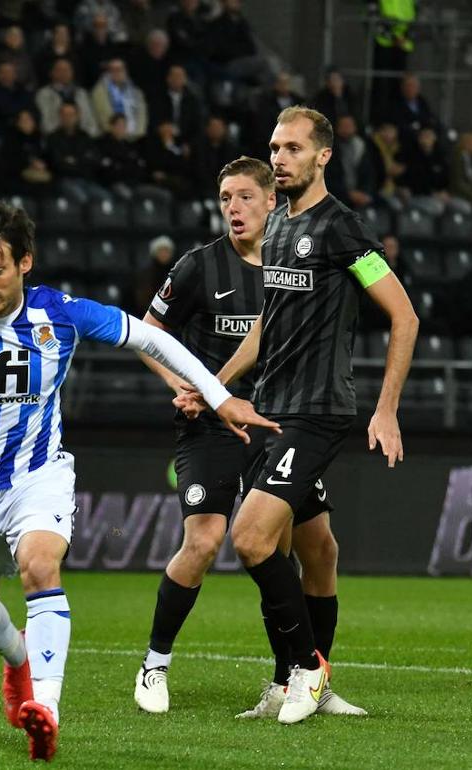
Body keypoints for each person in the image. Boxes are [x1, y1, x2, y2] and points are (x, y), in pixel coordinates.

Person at [0, 199, 277, 761]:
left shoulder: (60, 312)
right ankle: (19, 661)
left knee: (40, 565)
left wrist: (220, 396)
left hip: (39, 475)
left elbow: (151, 338)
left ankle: (46, 709)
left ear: (25, 262)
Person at [177, 106, 418, 724]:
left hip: (318, 411)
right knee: (314, 548)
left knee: (251, 537)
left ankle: (307, 669)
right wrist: (214, 386)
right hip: (270, 414)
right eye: (274, 148)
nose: (279, 158)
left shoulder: (343, 231)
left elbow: (404, 315)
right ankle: (296, 683)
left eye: (291, 149)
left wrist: (386, 410)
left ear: (322, 157)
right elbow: (265, 326)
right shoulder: (279, 227)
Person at [129, 156, 365, 718]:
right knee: (206, 541)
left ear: (271, 201)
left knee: (317, 549)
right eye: (225, 198)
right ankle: (155, 663)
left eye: (244, 197)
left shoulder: (292, 260)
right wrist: (185, 386)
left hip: (281, 421)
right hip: (211, 426)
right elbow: (146, 334)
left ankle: (304, 679)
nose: (233, 208)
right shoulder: (197, 266)